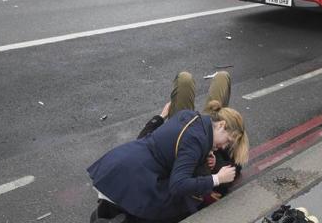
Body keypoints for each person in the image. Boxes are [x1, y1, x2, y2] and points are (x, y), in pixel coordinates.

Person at [88, 71, 249, 222]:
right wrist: (217, 178)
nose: (223, 146)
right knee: (179, 204)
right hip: (133, 182)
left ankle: (108, 215)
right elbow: (178, 185)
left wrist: (158, 118)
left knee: (187, 78)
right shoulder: (196, 141)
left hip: (115, 168)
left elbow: (147, 142)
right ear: (221, 125)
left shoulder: (187, 117)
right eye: (227, 141)